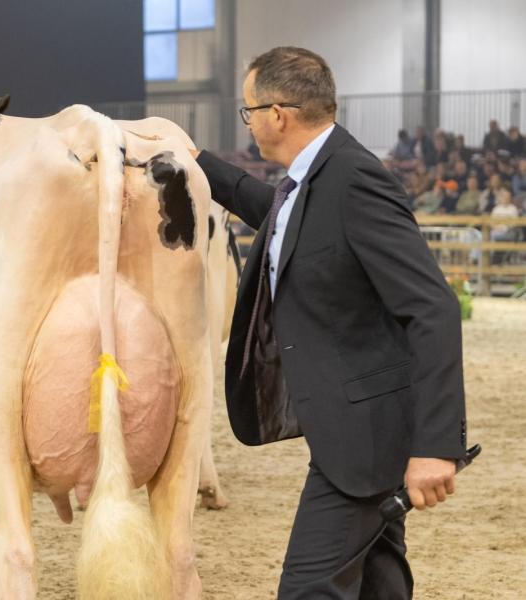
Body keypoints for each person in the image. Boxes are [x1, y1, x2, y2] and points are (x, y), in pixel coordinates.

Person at [191, 46, 466, 599]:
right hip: (353, 424)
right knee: (379, 582)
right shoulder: (314, 175)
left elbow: (432, 307)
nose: (249, 122)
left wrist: (437, 445)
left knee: (308, 588)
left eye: (249, 111)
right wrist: (196, 161)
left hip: (367, 437)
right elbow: (279, 215)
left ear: (277, 114)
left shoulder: (354, 177)